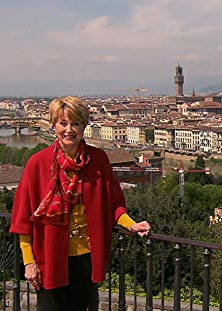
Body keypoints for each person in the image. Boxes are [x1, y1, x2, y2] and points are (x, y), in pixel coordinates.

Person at [10, 96, 151, 310]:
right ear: (53, 125)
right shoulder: (37, 163)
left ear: (84, 126)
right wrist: (29, 262)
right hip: (49, 257)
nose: (69, 129)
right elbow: (23, 218)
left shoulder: (98, 160)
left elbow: (113, 202)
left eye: (75, 123)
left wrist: (131, 224)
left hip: (86, 258)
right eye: (63, 123)